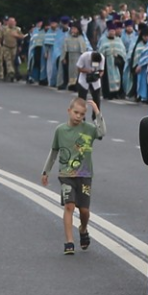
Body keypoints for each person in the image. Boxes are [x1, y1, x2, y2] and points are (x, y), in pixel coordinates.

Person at [41, 94, 102, 256]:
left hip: (84, 175)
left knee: (84, 211)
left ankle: (83, 228)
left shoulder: (88, 129)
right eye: (76, 112)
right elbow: (54, 152)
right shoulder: (60, 130)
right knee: (69, 206)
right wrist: (46, 171)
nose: (78, 117)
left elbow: (102, 133)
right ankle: (69, 241)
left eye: (82, 114)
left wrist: (97, 113)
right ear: (69, 111)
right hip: (66, 174)